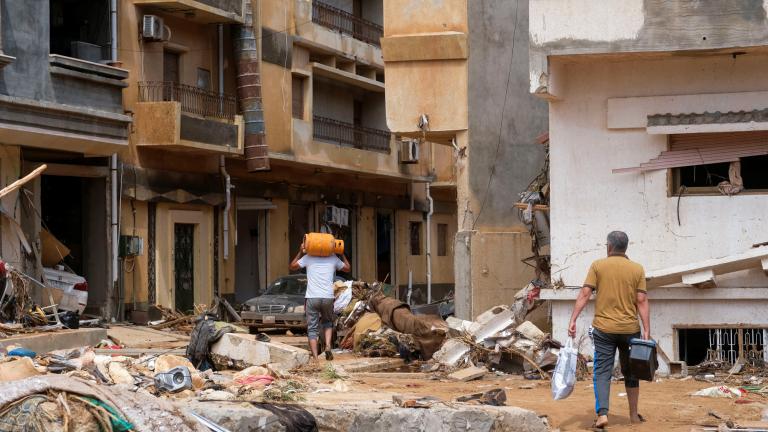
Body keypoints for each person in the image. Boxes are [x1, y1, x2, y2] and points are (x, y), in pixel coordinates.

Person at [568, 231, 650, 430]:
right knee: (631, 372)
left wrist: (573, 319)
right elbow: (641, 300)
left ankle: (603, 414)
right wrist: (646, 329)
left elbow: (585, 293)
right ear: (626, 247)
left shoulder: (598, 266)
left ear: (609, 246)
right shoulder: (637, 269)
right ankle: (633, 415)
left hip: (604, 330)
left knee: (602, 371)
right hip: (630, 330)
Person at [289, 246, 350, 362]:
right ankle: (327, 345)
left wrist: (300, 252)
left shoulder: (308, 257)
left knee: (312, 329)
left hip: (312, 297)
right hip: (328, 297)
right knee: (327, 323)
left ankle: (316, 358)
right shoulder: (333, 258)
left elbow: (292, 266)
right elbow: (347, 268)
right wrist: (341, 254)